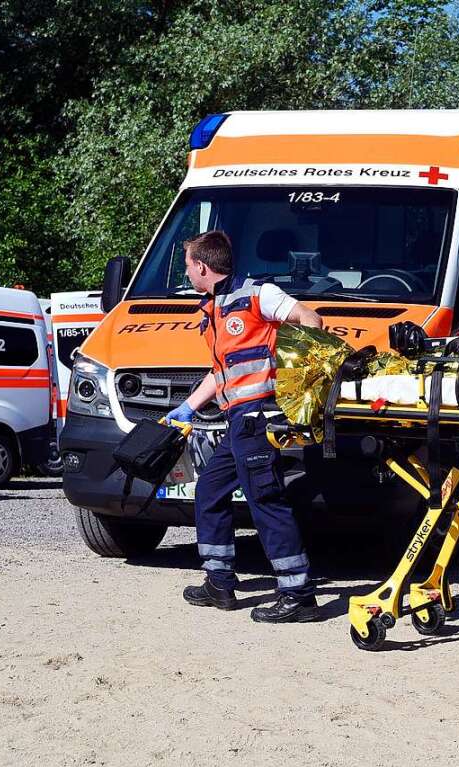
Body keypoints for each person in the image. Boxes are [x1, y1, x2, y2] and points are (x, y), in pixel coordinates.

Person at [167, 230, 326, 623]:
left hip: (259, 417)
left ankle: (299, 594)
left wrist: (301, 374)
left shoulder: (257, 294)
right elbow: (221, 373)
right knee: (209, 489)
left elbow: (311, 318)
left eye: (188, 266)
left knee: (265, 501)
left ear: (202, 266)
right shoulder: (213, 310)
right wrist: (186, 407)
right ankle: (218, 581)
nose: (187, 274)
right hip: (238, 420)